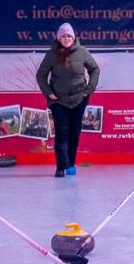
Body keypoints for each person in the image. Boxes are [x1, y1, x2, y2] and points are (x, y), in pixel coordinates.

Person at [36, 22, 100, 177]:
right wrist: (49, 93)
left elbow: (94, 69)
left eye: (69, 36)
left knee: (74, 133)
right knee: (62, 133)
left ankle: (71, 164)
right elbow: (41, 75)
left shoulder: (82, 52)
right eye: (63, 36)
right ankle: (61, 166)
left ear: (73, 37)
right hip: (59, 101)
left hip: (79, 99)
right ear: (59, 38)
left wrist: (88, 90)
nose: (66, 39)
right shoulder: (52, 54)